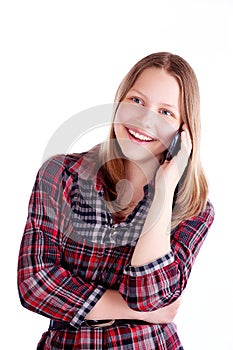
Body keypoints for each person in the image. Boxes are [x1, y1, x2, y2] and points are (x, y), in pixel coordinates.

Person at [17, 52, 215, 349]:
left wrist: (163, 190)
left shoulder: (194, 209)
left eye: (166, 112)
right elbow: (34, 284)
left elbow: (149, 298)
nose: (144, 120)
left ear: (183, 132)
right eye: (137, 101)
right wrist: (126, 309)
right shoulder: (60, 174)